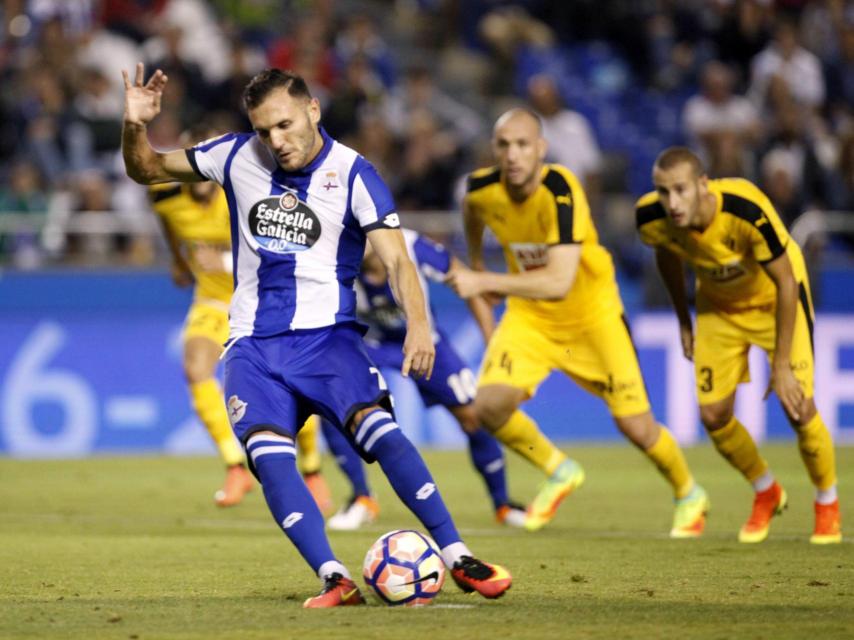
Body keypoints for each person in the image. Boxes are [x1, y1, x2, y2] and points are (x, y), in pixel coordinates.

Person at [121, 63, 512, 607]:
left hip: (328, 341)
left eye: (283, 125)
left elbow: (398, 262)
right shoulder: (233, 156)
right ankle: (334, 577)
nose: (275, 141)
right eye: (263, 131)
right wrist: (136, 124)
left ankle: (458, 555)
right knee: (269, 458)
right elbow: (145, 169)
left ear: (312, 110)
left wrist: (419, 325)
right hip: (252, 347)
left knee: (381, 432)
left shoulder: (355, 174)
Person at [446, 108, 708, 536]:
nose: (513, 154)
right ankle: (558, 468)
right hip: (531, 317)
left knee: (635, 426)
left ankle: (688, 491)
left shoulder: (562, 188)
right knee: (488, 406)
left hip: (593, 315)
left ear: (541, 149)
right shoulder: (478, 191)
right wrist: (481, 284)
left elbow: (559, 280)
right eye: (504, 145)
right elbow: (474, 237)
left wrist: (482, 277)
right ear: (494, 150)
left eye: (523, 145)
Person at [635, 146, 841, 544]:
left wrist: (780, 365)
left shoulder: (745, 209)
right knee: (713, 415)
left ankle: (827, 503)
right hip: (719, 306)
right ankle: (766, 490)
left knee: (798, 406)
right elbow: (667, 256)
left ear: (702, 185)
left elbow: (785, 281)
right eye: (663, 191)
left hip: (773, 300)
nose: (672, 203)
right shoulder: (651, 217)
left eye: (680, 190)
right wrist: (683, 318)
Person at [149, 127, 332, 512]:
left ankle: (313, 471)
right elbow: (169, 225)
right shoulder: (165, 196)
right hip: (213, 300)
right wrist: (178, 262)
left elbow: (285, 246)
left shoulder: (247, 190)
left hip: (263, 301)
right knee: (196, 367)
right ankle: (235, 466)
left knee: (294, 383)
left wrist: (227, 261)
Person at [323, 229, 526, 530]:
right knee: (331, 401)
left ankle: (503, 504)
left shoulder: (415, 248)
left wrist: (492, 342)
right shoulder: (331, 256)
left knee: (475, 416)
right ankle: (362, 498)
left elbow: (468, 284)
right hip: (371, 344)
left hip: (424, 341)